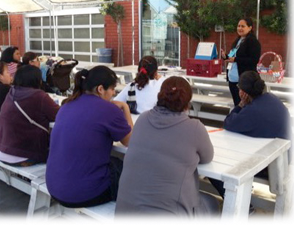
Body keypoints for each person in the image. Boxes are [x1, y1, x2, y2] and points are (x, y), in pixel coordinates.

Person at [115, 76, 219, 217]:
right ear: (187, 103)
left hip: (124, 212)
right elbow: (207, 157)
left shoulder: (143, 119)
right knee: (212, 203)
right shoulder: (195, 128)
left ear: (160, 96)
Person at [46, 66, 133, 208]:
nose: (113, 94)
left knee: (112, 161)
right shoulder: (108, 109)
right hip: (84, 193)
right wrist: (125, 108)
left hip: (55, 187)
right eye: (112, 89)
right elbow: (130, 141)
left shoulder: (67, 105)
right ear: (100, 89)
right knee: (129, 169)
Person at [209, 71, 291, 211]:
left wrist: (240, 105)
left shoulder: (252, 111)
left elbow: (228, 123)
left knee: (214, 164)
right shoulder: (271, 99)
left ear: (243, 93)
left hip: (270, 166)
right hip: (284, 157)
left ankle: (244, 206)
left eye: (239, 89)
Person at [0, 65, 59, 166]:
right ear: (37, 79)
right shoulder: (39, 96)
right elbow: (59, 115)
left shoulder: (11, 92)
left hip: (0, 150)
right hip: (23, 155)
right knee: (61, 152)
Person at [221, 18, 261, 106]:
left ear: (250, 28)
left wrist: (235, 59)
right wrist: (226, 57)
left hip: (244, 81)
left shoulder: (253, 42)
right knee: (237, 104)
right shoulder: (238, 41)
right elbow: (234, 56)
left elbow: (254, 60)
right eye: (238, 26)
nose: (240, 28)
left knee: (245, 106)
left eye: (243, 26)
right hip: (233, 79)